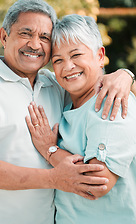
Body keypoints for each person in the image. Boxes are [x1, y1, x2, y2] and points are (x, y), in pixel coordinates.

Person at [0, 0, 135, 224]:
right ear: (4, 36)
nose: (35, 44)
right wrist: (53, 178)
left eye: (44, 37)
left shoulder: (55, 84)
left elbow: (88, 80)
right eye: (26, 33)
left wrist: (124, 75)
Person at [26, 14, 136, 223]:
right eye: (58, 60)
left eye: (76, 55)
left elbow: (97, 183)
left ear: (99, 55)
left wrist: (50, 151)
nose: (68, 67)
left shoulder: (110, 103)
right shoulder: (70, 103)